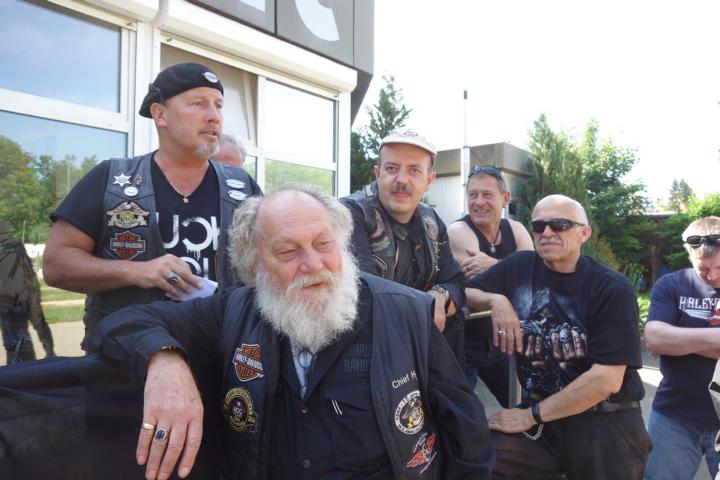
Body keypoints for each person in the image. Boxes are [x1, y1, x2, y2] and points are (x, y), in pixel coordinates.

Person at [91, 184, 494, 480]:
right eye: (287, 251)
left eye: (324, 243)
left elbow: (468, 435)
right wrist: (165, 363)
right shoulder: (232, 311)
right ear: (255, 265)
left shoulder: (407, 313)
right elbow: (122, 323)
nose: (312, 264)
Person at [42, 62, 261, 349]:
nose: (214, 116)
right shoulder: (111, 179)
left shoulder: (242, 186)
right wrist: (137, 271)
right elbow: (56, 265)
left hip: (221, 357)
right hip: (126, 358)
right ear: (160, 114)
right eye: (198, 104)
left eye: (218, 106)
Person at [465, 194, 651, 479]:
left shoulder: (611, 287)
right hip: (543, 422)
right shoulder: (519, 267)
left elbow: (605, 380)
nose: (547, 232)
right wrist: (495, 300)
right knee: (480, 461)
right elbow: (462, 290)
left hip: (605, 422)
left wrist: (528, 416)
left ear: (583, 234)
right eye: (539, 226)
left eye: (560, 224)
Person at [340, 129, 466, 362]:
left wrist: (439, 295)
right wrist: (424, 304)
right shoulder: (349, 215)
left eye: (414, 170)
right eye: (391, 168)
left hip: (416, 351)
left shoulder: (432, 221)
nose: (401, 180)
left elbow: (456, 282)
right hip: (361, 356)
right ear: (378, 173)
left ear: (429, 181)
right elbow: (366, 293)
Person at [447, 164, 533, 407]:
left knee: (525, 403)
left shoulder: (516, 229)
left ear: (505, 198)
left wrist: (495, 264)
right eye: (472, 195)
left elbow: (534, 282)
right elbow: (477, 285)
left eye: (487, 194)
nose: (478, 202)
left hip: (502, 340)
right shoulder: (458, 231)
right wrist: (513, 270)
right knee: (460, 413)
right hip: (464, 343)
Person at [644, 216, 720, 480]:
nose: (713, 276)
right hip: (673, 416)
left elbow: (666, 339)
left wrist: (680, 340)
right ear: (690, 255)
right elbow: (655, 338)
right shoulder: (672, 285)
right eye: (704, 269)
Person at [0, 221, 55, 363]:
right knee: (37, 326)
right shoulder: (16, 245)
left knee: (16, 338)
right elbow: (28, 273)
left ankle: (23, 367)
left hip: (11, 300)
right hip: (27, 294)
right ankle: (49, 353)